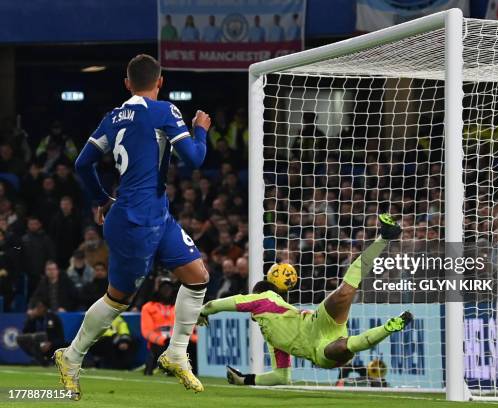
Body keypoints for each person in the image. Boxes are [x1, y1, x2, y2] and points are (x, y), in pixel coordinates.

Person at [54, 54, 210, 400]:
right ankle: (72, 355)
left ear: (127, 84)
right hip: (136, 220)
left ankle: (175, 353)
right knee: (118, 299)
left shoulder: (113, 117)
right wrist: (201, 129)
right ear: (160, 81)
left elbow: (83, 163)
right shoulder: (165, 112)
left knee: (197, 276)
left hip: (154, 214)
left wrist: (101, 200)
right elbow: (195, 158)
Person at [198, 214, 412, 386]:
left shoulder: (263, 300)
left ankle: (385, 236)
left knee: (344, 311)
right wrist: (246, 379)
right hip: (319, 344)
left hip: (318, 326)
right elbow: (283, 377)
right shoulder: (273, 338)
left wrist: (204, 311)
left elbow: (217, 303)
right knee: (345, 295)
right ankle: (388, 327)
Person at [141, 278, 198, 375]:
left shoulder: (180, 307)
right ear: (159, 290)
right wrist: (162, 340)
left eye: (169, 288)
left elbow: (188, 329)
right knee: (166, 348)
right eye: (164, 288)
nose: (166, 291)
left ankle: (193, 371)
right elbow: (146, 331)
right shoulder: (148, 307)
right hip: (159, 342)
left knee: (193, 347)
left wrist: (196, 340)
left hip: (178, 340)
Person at [17, 299, 65, 366]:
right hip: (38, 344)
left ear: (45, 308)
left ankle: (49, 360)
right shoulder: (34, 319)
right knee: (20, 338)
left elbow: (61, 337)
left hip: (52, 345)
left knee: (42, 336)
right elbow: (25, 332)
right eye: (36, 307)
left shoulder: (53, 318)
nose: (37, 309)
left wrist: (50, 343)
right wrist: (31, 319)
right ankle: (40, 360)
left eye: (40, 307)